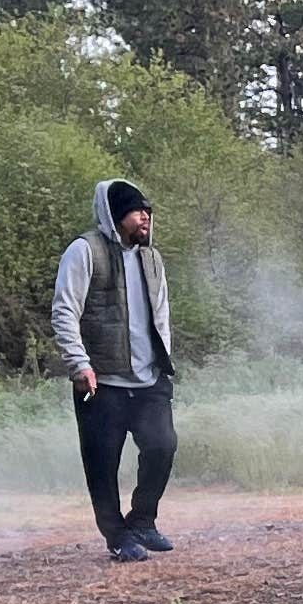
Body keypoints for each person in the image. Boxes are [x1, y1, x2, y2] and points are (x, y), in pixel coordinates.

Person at [54, 178, 180, 561]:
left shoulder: (151, 258)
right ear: (115, 214)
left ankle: (143, 519)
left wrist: (163, 366)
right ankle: (118, 536)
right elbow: (65, 309)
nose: (145, 216)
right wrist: (79, 364)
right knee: (102, 463)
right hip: (101, 381)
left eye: (147, 211)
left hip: (148, 380)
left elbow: (162, 316)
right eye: (136, 210)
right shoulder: (84, 251)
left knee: (163, 445)